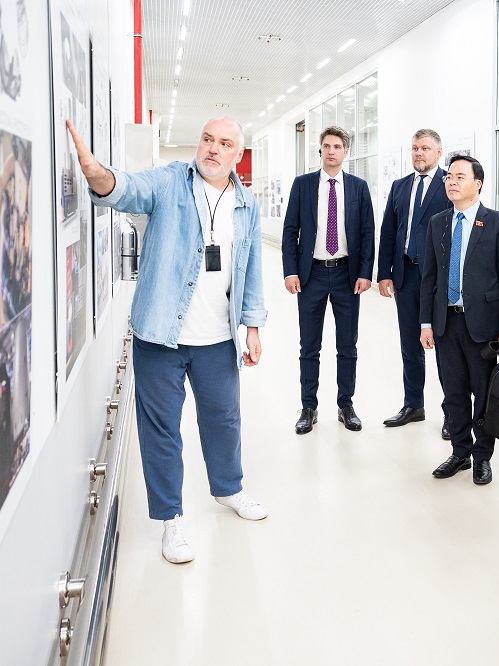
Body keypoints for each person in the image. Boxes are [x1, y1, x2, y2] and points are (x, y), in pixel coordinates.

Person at [67, 116, 268, 564]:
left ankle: (228, 488)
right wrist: (96, 172)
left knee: (224, 420)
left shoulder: (246, 205)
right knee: (161, 430)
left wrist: (252, 326)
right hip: (160, 335)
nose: (213, 148)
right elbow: (126, 189)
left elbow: (251, 268)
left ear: (238, 155)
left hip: (218, 339)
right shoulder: (170, 182)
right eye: (208, 139)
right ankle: (170, 519)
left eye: (225, 143)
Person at [419, 155, 499, 485]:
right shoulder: (437, 223)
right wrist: (425, 323)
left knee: (483, 395)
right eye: (449, 176)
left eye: (460, 176)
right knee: (454, 393)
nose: (451, 181)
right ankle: (460, 452)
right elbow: (428, 277)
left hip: (483, 326)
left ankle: (482, 456)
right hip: (446, 323)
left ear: (478, 183)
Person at [282, 126, 375, 433]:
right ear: (320, 149)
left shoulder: (359, 187)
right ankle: (308, 407)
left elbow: (368, 232)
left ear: (346, 152)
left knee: (347, 345)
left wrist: (365, 273)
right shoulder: (303, 185)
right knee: (309, 345)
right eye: (327, 146)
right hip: (312, 275)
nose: (331, 151)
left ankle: (345, 405)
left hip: (347, 275)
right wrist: (290, 270)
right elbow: (290, 230)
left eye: (337, 146)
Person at [376, 129, 450, 434]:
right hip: (405, 275)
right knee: (410, 344)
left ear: (438, 152)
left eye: (425, 148)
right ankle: (413, 405)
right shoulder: (400, 186)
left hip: (439, 279)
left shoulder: (449, 184)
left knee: (445, 347)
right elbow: (388, 231)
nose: (419, 153)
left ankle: (452, 413)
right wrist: (384, 272)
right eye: (415, 148)